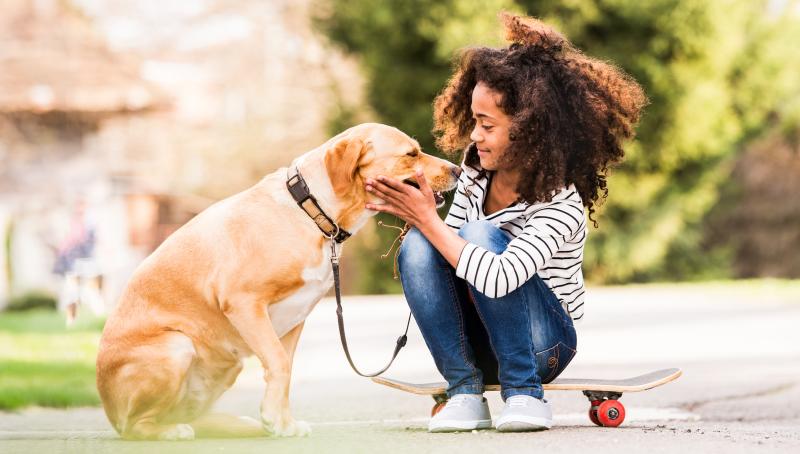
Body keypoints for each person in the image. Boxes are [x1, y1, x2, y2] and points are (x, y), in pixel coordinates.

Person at [364, 12, 646, 432]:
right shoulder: (476, 172)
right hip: (480, 340)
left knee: (477, 234)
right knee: (420, 246)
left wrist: (428, 220)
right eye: (474, 121)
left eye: (486, 124)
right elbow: (449, 252)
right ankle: (464, 391)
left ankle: (525, 394)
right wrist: (417, 216)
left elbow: (499, 277)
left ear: (532, 130)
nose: (474, 135)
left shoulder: (561, 203)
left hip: (543, 346)